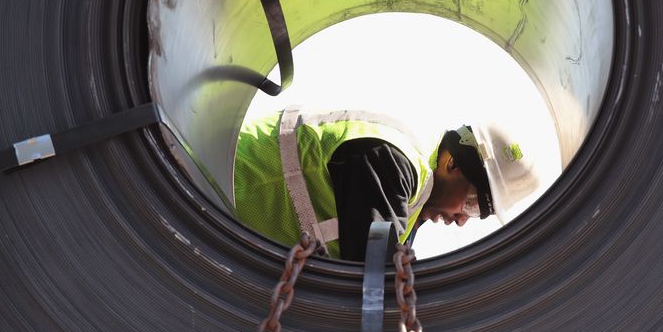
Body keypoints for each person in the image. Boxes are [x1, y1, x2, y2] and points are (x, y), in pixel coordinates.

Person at [233, 105, 543, 261]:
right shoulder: (394, 162)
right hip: (224, 182)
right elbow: (369, 277)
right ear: (452, 164)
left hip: (231, 227)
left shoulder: (407, 215)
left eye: (476, 214)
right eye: (473, 204)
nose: (462, 220)